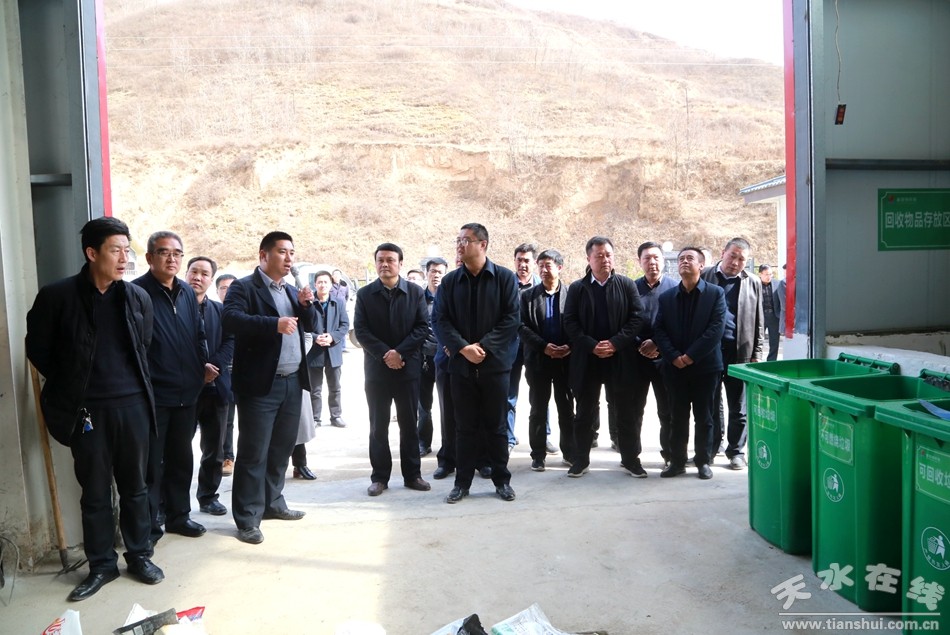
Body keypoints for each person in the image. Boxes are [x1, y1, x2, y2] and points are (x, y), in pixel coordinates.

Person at [26, 217, 164, 601]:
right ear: (91, 253)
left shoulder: (136, 297)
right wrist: (72, 383)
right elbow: (38, 348)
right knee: (95, 490)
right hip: (87, 412)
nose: (124, 259)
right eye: (115, 250)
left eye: (126, 250)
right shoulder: (57, 297)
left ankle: (139, 556)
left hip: (133, 406)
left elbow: (144, 344)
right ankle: (102, 565)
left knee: (136, 487)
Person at [223, 231, 316, 545]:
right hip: (260, 386)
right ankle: (248, 518)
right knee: (253, 454)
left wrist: (305, 306)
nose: (289, 258)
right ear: (263, 255)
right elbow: (231, 319)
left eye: (292, 252)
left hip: (292, 383)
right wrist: (272, 324)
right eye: (282, 252)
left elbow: (310, 325)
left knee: (281, 450)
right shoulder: (244, 287)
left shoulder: (290, 291)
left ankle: (273, 503)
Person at [433, 223, 520, 504]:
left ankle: (502, 480)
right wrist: (463, 348)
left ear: (483, 244)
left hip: (494, 366)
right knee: (464, 427)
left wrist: (483, 346)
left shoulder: (505, 278)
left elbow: (511, 319)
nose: (460, 245)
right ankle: (462, 483)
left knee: (496, 426)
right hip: (460, 367)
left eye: (466, 240)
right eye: (458, 240)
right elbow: (440, 320)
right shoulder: (450, 282)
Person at [133, 231, 207, 543]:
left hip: (187, 393)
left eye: (177, 253)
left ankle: (179, 516)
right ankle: (150, 526)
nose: (172, 258)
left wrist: (200, 368)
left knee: (181, 460)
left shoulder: (187, 292)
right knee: (151, 466)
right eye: (164, 252)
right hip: (154, 396)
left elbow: (197, 334)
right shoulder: (136, 292)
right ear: (150, 257)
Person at [562, 236, 645, 478]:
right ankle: (580, 460)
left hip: (619, 358)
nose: (605, 259)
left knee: (625, 412)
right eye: (599, 255)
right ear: (589, 259)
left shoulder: (626, 285)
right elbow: (570, 322)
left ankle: (631, 459)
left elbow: (637, 317)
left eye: (608, 255)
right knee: (585, 412)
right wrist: (591, 345)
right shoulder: (577, 288)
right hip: (587, 359)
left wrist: (616, 343)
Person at [354, 243, 431, 496]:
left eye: (390, 260)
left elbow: (422, 327)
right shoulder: (365, 294)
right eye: (380, 260)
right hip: (377, 371)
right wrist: (386, 355)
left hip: (408, 370)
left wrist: (400, 353)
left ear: (400, 263)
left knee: (409, 424)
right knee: (378, 425)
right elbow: (361, 331)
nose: (385, 264)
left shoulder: (415, 292)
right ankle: (379, 477)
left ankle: (413, 475)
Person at [653, 247, 726, 480]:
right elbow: (659, 329)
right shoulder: (667, 297)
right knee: (677, 416)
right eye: (681, 259)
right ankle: (677, 461)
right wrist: (674, 356)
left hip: (705, 368)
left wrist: (690, 356)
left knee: (705, 417)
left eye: (690, 258)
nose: (684, 261)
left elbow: (716, 329)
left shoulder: (715, 294)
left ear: (701, 265)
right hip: (675, 368)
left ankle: (703, 461)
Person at [701, 237, 765, 470]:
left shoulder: (752, 282)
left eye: (742, 259)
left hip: (739, 352)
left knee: (738, 406)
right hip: (709, 352)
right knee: (711, 404)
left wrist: (757, 352)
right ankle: (711, 448)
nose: (736, 262)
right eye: (732, 256)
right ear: (723, 253)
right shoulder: (705, 275)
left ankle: (736, 451)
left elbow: (759, 319)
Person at [186, 256, 234, 516]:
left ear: (211, 280)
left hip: (216, 388)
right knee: (177, 449)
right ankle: (170, 503)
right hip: (184, 390)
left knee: (215, 449)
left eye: (204, 274)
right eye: (194, 271)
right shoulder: (175, 308)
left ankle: (208, 496)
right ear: (186, 274)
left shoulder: (219, 310)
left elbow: (230, 341)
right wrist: (198, 372)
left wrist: (212, 366)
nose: (198, 277)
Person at [519, 249, 575, 471]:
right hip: (538, 361)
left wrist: (569, 346)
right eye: (540, 265)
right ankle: (538, 455)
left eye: (548, 265)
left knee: (566, 408)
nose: (543, 269)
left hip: (566, 361)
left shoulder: (572, 294)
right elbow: (521, 327)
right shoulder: (528, 296)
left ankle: (570, 452)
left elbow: (580, 324)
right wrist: (544, 347)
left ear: (559, 268)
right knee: (538, 409)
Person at [292, 270, 349, 479]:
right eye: (319, 282)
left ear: (330, 285)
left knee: (335, 387)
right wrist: (316, 337)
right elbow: (304, 324)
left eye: (326, 282)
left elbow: (344, 325)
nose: (323, 285)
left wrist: (332, 337)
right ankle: (316, 417)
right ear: (315, 284)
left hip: (332, 350)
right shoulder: (309, 302)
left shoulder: (338, 303)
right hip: (314, 351)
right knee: (314, 388)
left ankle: (336, 415)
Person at [632, 242, 677, 467]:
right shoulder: (631, 288)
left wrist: (657, 344)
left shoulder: (675, 288)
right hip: (635, 358)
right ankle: (631, 456)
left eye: (656, 257)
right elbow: (624, 322)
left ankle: (670, 454)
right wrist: (641, 345)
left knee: (668, 411)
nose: (652, 262)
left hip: (665, 359)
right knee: (633, 411)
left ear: (663, 260)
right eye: (647, 258)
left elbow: (678, 324)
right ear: (639, 262)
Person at [506, 242, 542, 453]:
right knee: (508, 395)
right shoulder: (506, 284)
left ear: (534, 263)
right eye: (519, 260)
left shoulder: (541, 285)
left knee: (539, 394)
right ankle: (508, 437)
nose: (522, 264)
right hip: (510, 347)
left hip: (534, 346)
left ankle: (543, 436)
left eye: (527, 260)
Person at [418, 257, 448, 457]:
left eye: (440, 272)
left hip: (445, 358)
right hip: (423, 359)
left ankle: (448, 447)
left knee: (447, 406)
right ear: (426, 273)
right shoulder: (417, 298)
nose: (436, 275)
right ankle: (423, 442)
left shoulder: (450, 297)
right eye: (433, 271)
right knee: (423, 405)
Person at [216, 273, 238, 476]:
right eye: (223, 288)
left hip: (245, 374)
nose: (228, 291)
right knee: (226, 420)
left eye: (232, 287)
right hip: (224, 374)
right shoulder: (215, 312)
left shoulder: (245, 312)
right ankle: (227, 456)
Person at [758, 264, 783, 362]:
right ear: (760, 274)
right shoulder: (755, 284)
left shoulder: (777, 283)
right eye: (766, 274)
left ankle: (771, 361)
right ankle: (757, 359)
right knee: (758, 340)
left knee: (774, 342)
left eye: (770, 274)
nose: (769, 276)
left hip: (774, 316)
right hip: (760, 316)